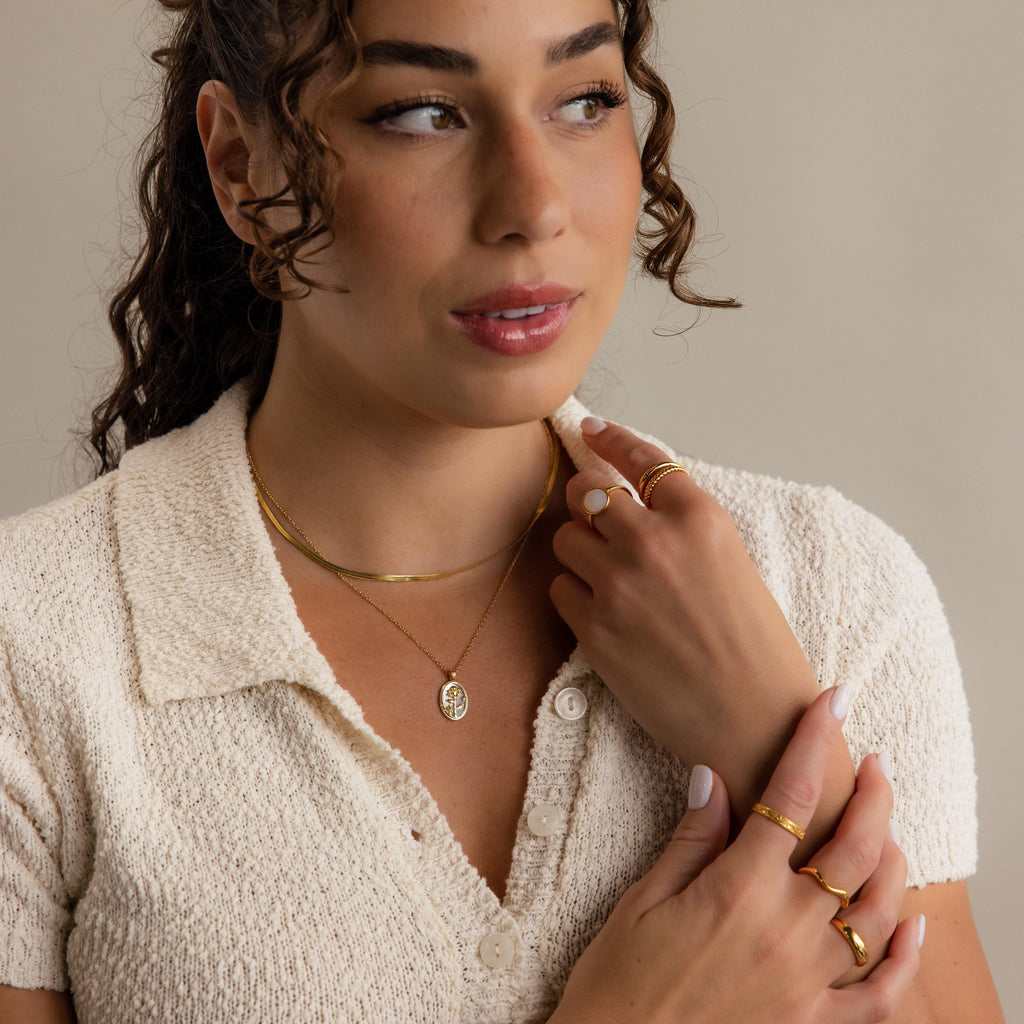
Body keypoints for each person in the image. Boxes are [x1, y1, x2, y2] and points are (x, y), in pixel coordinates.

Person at [0, 0, 1004, 1020]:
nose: (532, 203)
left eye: (583, 99)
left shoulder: (826, 586)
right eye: (424, 112)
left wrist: (770, 734)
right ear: (239, 165)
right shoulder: (31, 650)